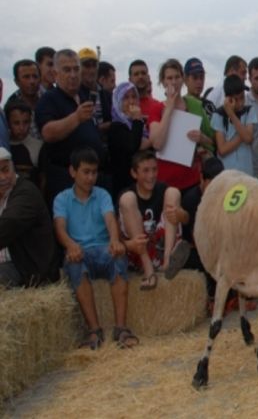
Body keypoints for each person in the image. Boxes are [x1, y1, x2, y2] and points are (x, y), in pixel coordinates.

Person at [53, 148, 138, 349]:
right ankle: (94, 330)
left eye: (94, 172)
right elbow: (59, 228)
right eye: (86, 172)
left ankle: (121, 328)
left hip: (103, 249)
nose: (91, 177)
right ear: (72, 171)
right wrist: (71, 245)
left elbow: (110, 218)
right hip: (80, 251)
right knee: (74, 265)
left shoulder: (102, 195)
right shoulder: (61, 199)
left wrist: (115, 240)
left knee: (118, 259)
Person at [36, 49, 108, 204]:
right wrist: (76, 118)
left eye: (76, 69)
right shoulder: (49, 99)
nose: (73, 75)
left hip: (92, 182)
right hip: (66, 184)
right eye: (67, 70)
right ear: (55, 74)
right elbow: (48, 132)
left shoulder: (83, 97)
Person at [118, 150, 189, 290]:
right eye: (145, 171)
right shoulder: (127, 193)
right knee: (127, 199)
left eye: (154, 170)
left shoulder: (163, 188)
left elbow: (186, 219)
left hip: (160, 247)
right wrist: (129, 245)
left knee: (173, 193)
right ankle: (148, 268)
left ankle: (168, 260)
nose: (151, 176)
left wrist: (180, 214)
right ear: (134, 173)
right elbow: (117, 236)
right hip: (138, 251)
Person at [149, 59, 214, 191]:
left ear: (182, 79)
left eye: (177, 77)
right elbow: (157, 143)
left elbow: (213, 141)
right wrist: (169, 109)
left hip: (192, 179)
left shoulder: (195, 105)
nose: (173, 82)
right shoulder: (156, 108)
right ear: (163, 81)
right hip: (166, 181)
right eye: (169, 78)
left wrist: (202, 138)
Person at [0, 147, 58, 287]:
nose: (2, 178)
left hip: (26, 269)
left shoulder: (27, 193)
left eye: (5, 170)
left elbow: (7, 225)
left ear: (13, 169)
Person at [178, 157, 224, 306]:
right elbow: (194, 237)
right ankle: (213, 297)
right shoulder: (191, 199)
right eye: (210, 187)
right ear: (201, 179)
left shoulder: (223, 196)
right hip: (194, 248)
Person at [108, 82, 151, 200]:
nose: (131, 101)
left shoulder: (140, 125)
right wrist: (137, 119)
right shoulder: (116, 127)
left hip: (143, 185)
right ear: (118, 102)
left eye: (133, 97)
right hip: (125, 187)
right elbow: (133, 145)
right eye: (126, 98)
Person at [211, 75, 256, 175]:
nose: (240, 103)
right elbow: (222, 150)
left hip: (247, 172)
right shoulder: (218, 115)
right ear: (228, 99)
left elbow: (248, 139)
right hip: (227, 174)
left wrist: (232, 115)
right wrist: (242, 134)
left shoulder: (249, 111)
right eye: (236, 99)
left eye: (242, 98)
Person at [5, 102, 42, 185]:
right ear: (7, 123)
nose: (22, 128)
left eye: (26, 122)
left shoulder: (38, 147)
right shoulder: (4, 146)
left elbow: (43, 178)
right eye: (16, 123)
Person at [7, 59, 42, 139]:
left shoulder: (50, 98)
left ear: (40, 78)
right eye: (26, 77)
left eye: (35, 76)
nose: (32, 81)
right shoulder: (11, 106)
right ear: (17, 81)